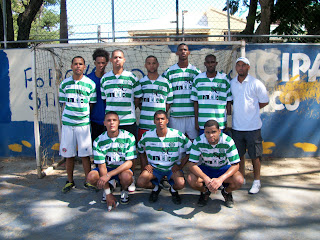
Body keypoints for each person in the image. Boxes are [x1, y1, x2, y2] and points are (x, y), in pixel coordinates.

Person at [100, 49, 142, 192]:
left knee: (131, 151)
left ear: (124, 60)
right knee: (111, 150)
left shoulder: (131, 78)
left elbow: (137, 98)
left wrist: (127, 110)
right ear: (111, 60)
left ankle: (130, 178)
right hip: (112, 122)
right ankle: (112, 179)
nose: (117, 60)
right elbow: (105, 99)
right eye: (115, 57)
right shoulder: (105, 79)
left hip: (128, 120)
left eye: (120, 57)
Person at [230, 57, 269, 194]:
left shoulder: (256, 83)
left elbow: (264, 101)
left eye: (244, 65)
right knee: (239, 156)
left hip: (253, 127)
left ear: (248, 67)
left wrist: (252, 110)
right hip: (237, 127)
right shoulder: (232, 83)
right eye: (238, 65)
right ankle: (242, 177)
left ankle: (257, 181)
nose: (241, 68)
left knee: (255, 156)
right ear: (236, 68)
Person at [59, 56, 97, 193]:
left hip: (83, 124)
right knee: (68, 155)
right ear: (71, 66)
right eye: (75, 64)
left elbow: (91, 103)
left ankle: (88, 181)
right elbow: (63, 102)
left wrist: (83, 115)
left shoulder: (90, 84)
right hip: (68, 124)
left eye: (80, 64)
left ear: (84, 66)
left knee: (85, 155)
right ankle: (69, 181)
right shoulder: (64, 84)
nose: (78, 66)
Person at [137, 110, 192, 205]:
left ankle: (173, 190)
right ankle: (156, 188)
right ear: (154, 121)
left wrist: (180, 166)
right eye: (157, 119)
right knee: (141, 182)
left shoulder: (177, 135)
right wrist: (145, 166)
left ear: (167, 120)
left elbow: (191, 149)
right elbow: (140, 150)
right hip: (155, 168)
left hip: (172, 168)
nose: (160, 121)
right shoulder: (147, 136)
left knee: (180, 183)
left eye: (162, 119)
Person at [86, 111, 136, 210]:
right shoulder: (98, 141)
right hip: (107, 169)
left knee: (127, 177)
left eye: (114, 120)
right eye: (108, 121)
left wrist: (109, 175)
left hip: (121, 169)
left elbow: (129, 162)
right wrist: (108, 194)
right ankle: (108, 189)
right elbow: (101, 166)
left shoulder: (129, 137)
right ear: (104, 123)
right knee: (91, 177)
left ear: (119, 122)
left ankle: (124, 190)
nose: (111, 123)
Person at [187, 120, 243, 208]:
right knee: (191, 179)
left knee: (239, 180)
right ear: (204, 132)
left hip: (223, 168)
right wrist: (205, 178)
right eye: (207, 132)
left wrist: (220, 179)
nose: (210, 135)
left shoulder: (228, 141)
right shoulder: (198, 141)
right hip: (206, 169)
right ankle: (205, 191)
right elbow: (191, 164)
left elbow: (236, 165)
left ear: (219, 131)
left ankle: (226, 192)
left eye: (213, 132)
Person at [162, 43, 201, 141]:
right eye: (180, 50)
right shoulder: (169, 72)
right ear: (176, 53)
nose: (183, 52)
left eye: (185, 50)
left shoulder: (196, 72)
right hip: (176, 115)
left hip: (191, 115)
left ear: (189, 52)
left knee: (194, 143)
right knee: (176, 143)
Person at [191, 54, 232, 135]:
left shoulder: (224, 79)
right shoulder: (198, 79)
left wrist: (229, 121)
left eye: (212, 62)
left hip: (220, 123)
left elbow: (229, 102)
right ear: (205, 64)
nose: (210, 64)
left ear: (216, 63)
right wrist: (196, 121)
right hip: (203, 123)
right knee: (204, 147)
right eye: (208, 62)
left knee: (221, 147)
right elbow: (195, 102)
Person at [138, 55, 173, 140]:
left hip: (160, 126)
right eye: (149, 63)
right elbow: (138, 102)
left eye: (153, 63)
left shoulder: (166, 83)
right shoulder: (141, 82)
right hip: (144, 124)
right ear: (145, 65)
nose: (151, 65)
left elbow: (168, 104)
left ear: (157, 64)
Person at [87, 48, 109, 142]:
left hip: (107, 120)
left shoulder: (109, 79)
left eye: (103, 63)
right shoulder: (87, 80)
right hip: (93, 120)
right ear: (95, 63)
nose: (101, 65)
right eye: (98, 63)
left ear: (106, 63)